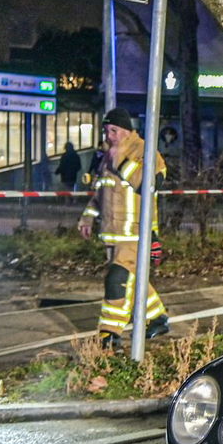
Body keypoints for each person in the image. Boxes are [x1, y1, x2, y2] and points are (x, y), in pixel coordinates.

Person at [77, 106, 170, 347]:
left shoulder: (144, 151)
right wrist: (87, 218)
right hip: (113, 234)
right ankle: (157, 317)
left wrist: (119, 159)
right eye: (107, 131)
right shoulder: (107, 155)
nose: (110, 136)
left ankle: (110, 333)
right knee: (133, 279)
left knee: (116, 279)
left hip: (136, 232)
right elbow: (101, 192)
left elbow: (148, 184)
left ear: (128, 131)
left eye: (114, 130)